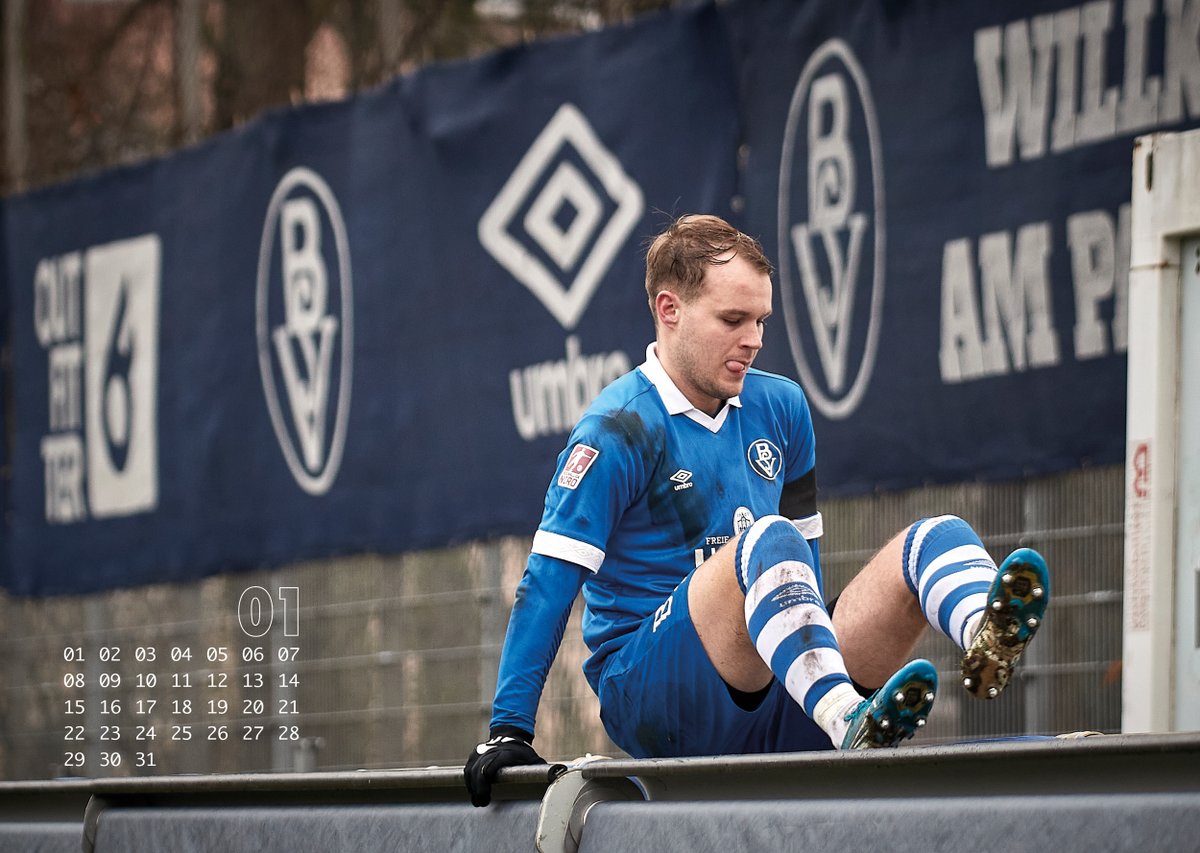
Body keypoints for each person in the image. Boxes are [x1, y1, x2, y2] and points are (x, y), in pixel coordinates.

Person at [464, 214, 1050, 807]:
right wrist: (509, 729)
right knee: (766, 540)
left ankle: (984, 637)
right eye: (732, 320)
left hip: (782, 684)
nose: (754, 339)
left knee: (934, 537)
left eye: (761, 321)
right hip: (654, 697)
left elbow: (803, 575)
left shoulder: (783, 408)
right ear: (669, 310)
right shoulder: (617, 429)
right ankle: (846, 718)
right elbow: (547, 582)